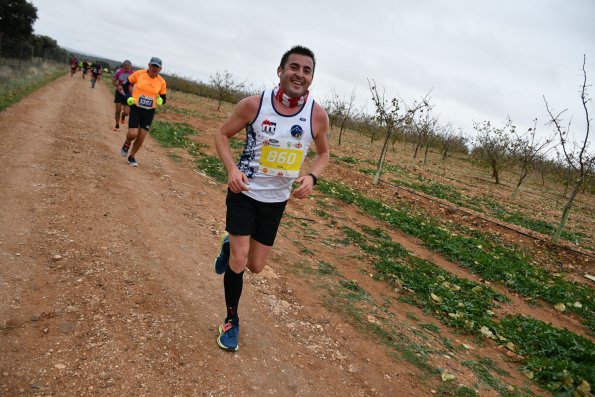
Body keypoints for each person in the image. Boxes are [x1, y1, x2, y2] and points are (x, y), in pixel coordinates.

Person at [213, 45, 330, 352]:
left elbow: (324, 153)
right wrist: (231, 170)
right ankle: (231, 321)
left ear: (312, 78)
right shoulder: (254, 104)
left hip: (276, 201)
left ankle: (230, 244)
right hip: (244, 192)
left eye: (307, 70)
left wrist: (312, 176)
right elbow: (221, 135)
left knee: (256, 266)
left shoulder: (317, 115)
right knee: (238, 262)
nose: (299, 74)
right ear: (280, 71)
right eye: (294, 67)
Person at [119, 57, 167, 167]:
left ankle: (132, 156)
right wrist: (127, 96)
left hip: (149, 112)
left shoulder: (162, 82)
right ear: (149, 65)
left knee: (141, 136)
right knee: (132, 134)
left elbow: (164, 98)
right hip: (136, 107)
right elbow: (126, 84)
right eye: (153, 65)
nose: (154, 68)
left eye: (157, 67)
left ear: (160, 69)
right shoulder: (139, 74)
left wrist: (161, 100)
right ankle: (127, 143)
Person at [112, 60, 135, 131]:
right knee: (118, 110)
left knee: (126, 113)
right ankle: (117, 124)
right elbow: (114, 80)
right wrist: (117, 86)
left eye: (128, 65)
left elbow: (137, 84)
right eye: (125, 65)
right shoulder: (119, 71)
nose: (127, 66)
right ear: (123, 65)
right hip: (119, 93)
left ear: (131, 66)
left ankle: (123, 116)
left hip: (129, 94)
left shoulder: (134, 73)